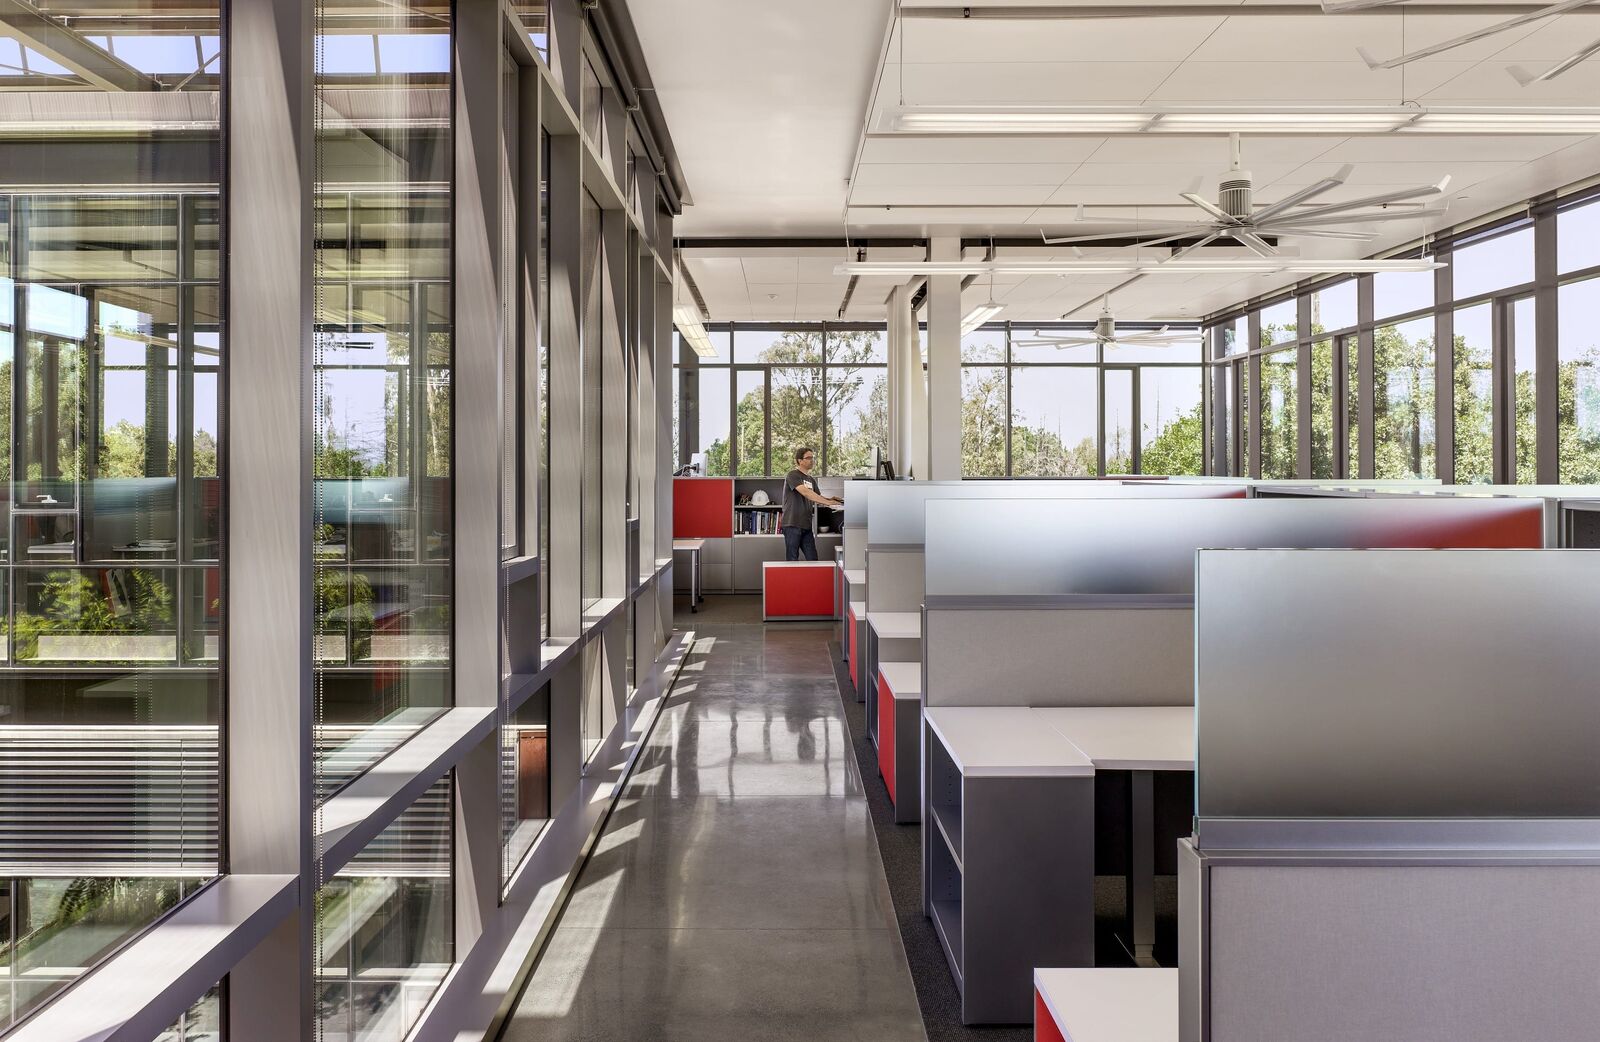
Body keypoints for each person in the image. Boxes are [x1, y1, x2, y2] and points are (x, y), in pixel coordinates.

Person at [781, 446, 842, 561]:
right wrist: (828, 502)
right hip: (792, 524)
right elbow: (806, 493)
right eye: (809, 458)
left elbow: (817, 497)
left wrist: (831, 499)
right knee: (792, 559)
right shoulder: (793, 475)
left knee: (813, 559)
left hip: (806, 526)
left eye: (813, 458)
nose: (812, 460)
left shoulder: (811, 479)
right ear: (800, 460)